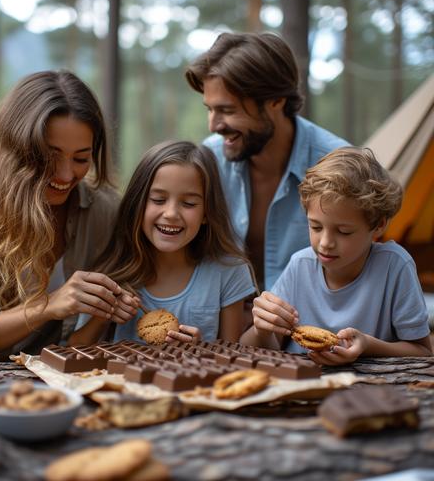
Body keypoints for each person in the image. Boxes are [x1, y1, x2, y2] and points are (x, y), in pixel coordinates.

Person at [0, 70, 138, 362]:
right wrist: (48, 306)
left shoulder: (106, 211)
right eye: (49, 156)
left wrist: (115, 303)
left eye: (81, 158)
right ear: (15, 149)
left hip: (56, 378)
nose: (65, 174)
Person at [185, 31, 350, 294]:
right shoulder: (209, 160)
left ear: (275, 100)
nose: (214, 125)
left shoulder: (340, 166)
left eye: (228, 110)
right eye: (209, 109)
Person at [241, 146, 432, 364]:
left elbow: (423, 351)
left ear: (378, 225)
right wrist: (262, 328)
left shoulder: (394, 265)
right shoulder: (300, 265)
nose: (325, 243)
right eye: (315, 227)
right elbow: (259, 348)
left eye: (343, 232)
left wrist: (367, 346)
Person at [70, 140, 258, 345]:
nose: (171, 214)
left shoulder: (229, 271)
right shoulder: (112, 272)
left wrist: (202, 350)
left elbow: (231, 354)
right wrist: (104, 313)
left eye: (189, 203)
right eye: (158, 200)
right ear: (137, 204)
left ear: (207, 212)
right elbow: (74, 351)